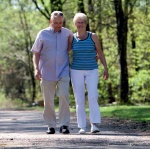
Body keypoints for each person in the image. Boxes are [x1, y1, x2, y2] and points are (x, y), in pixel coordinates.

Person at [31, 11, 72, 134]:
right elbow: (36, 52)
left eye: (60, 23)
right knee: (48, 99)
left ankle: (64, 124)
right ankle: (51, 125)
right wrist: (36, 68)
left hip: (63, 70)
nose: (58, 25)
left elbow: (74, 46)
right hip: (46, 72)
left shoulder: (67, 33)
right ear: (50, 22)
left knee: (64, 95)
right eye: (55, 23)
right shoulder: (42, 34)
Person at [68, 12, 109, 134]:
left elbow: (100, 53)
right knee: (79, 98)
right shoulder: (72, 38)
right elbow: (65, 52)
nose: (80, 24)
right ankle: (82, 126)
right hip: (76, 70)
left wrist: (106, 68)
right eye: (78, 22)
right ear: (75, 24)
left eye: (82, 22)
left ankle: (94, 124)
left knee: (93, 95)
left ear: (86, 24)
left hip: (92, 70)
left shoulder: (93, 36)